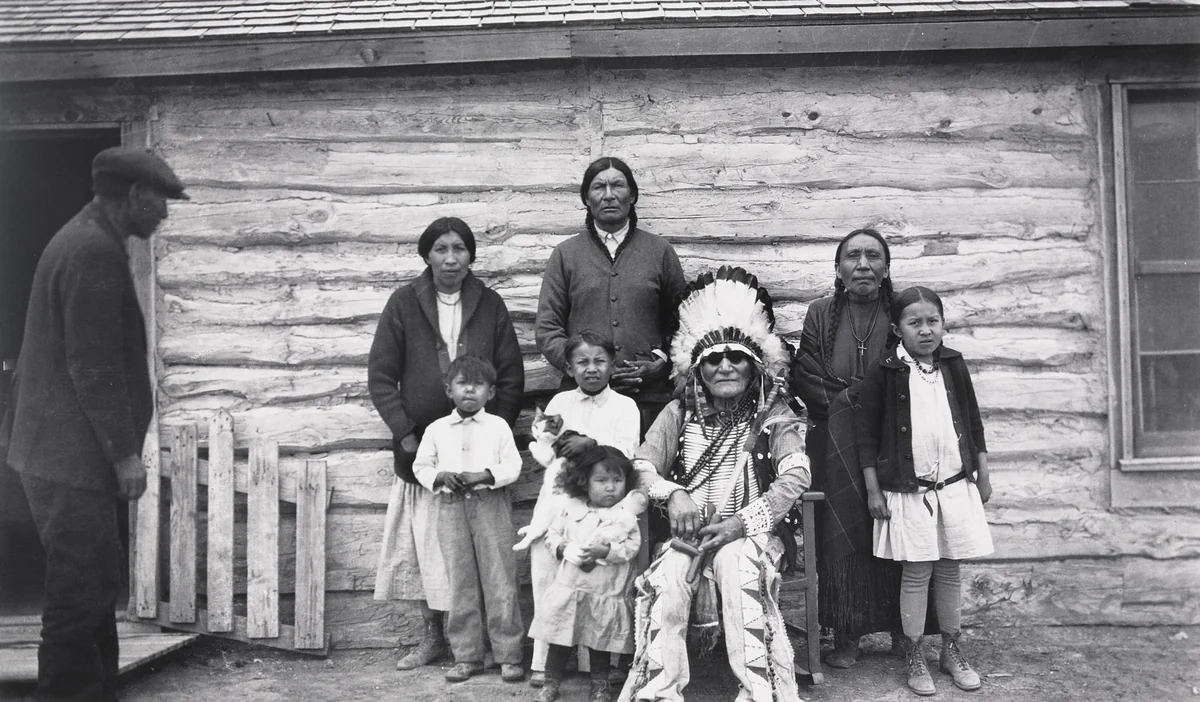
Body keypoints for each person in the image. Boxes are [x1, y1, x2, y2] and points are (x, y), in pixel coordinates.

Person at [5, 146, 188, 701]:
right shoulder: (91, 252)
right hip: (69, 457)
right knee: (78, 595)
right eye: (160, 200)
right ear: (134, 195)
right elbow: (95, 364)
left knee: (92, 586)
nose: (163, 212)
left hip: (63, 454)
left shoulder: (88, 240)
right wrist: (124, 454)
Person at [620, 266, 811, 702]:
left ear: (755, 364)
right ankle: (658, 690)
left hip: (754, 535)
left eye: (737, 357)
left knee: (737, 566)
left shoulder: (774, 414)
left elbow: (797, 474)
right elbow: (642, 467)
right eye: (713, 359)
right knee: (667, 577)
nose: (725, 366)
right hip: (690, 535)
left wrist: (740, 526)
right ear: (698, 369)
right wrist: (676, 494)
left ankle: (762, 692)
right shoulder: (678, 414)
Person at [369, 216, 524, 670]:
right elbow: (381, 377)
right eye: (441, 249)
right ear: (426, 255)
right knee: (429, 552)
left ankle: (494, 648)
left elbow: (511, 376)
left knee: (487, 562)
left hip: (479, 466)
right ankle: (434, 638)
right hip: (426, 455)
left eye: (460, 248)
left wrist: (494, 432)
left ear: (471, 255)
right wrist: (407, 432)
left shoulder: (490, 305)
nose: (451, 258)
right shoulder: (404, 303)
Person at [856, 286, 993, 696]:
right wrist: (873, 490)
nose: (926, 330)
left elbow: (972, 420)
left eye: (933, 321)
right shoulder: (885, 371)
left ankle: (951, 649)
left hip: (954, 485)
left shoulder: (953, 364)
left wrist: (981, 473)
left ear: (944, 324)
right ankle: (914, 653)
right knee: (916, 572)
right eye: (914, 323)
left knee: (950, 569)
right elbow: (866, 436)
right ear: (898, 329)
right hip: (908, 491)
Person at [790, 228, 915, 667]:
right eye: (853, 256)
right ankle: (846, 635)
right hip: (833, 440)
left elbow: (912, 373)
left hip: (893, 438)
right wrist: (854, 403)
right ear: (838, 268)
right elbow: (805, 373)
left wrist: (873, 407)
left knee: (897, 529)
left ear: (886, 267)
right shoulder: (820, 313)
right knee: (840, 535)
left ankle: (905, 630)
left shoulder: (902, 312)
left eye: (873, 256)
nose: (863, 264)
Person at [515, 332, 643, 688]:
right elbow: (549, 444)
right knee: (550, 576)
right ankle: (545, 661)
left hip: (602, 505)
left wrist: (590, 446)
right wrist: (546, 443)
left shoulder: (623, 406)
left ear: (612, 365)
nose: (591, 369)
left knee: (596, 583)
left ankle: (595, 664)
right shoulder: (560, 401)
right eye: (582, 363)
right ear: (569, 368)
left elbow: (625, 455)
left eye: (599, 361)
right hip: (559, 498)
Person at [536, 156, 687, 434]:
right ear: (586, 198)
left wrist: (660, 363)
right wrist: (586, 368)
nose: (608, 195)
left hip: (651, 401)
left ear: (632, 196)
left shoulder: (659, 252)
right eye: (598, 187)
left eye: (617, 185)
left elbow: (681, 324)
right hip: (582, 401)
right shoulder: (566, 255)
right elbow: (548, 329)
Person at [412, 355, 526, 684]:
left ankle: (508, 655)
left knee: (500, 579)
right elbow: (421, 467)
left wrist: (485, 474)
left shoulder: (498, 427)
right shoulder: (437, 430)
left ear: (490, 393)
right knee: (461, 583)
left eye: (478, 385)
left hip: (490, 504)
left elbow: (513, 466)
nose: (470, 390)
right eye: (463, 383)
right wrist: (440, 477)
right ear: (450, 390)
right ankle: (467, 656)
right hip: (450, 508)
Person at [529, 444, 642, 702]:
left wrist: (607, 551)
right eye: (601, 480)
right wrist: (564, 548)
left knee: (599, 641)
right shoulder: (571, 508)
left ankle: (600, 685)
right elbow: (552, 535)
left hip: (605, 591)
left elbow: (631, 547)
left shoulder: (624, 518)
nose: (610, 487)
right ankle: (550, 682)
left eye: (617, 480)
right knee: (560, 640)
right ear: (583, 482)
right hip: (571, 589)